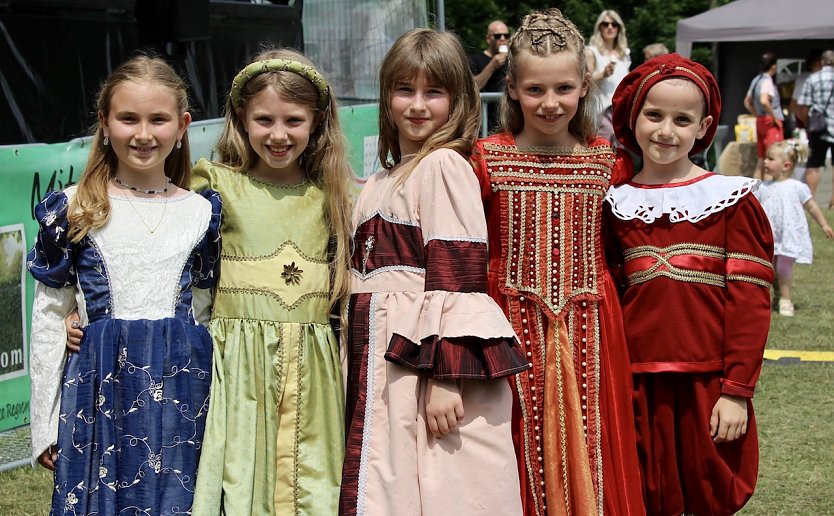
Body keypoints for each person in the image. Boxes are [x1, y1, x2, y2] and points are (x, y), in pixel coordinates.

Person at [340, 28, 529, 516]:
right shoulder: (382, 178)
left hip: (422, 363)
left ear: (458, 99)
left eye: (434, 92)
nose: (417, 105)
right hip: (382, 358)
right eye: (405, 90)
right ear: (386, 98)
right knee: (393, 480)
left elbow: (459, 278)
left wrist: (447, 377)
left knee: (442, 485)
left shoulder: (444, 165)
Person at [28, 54, 222, 515]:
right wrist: (44, 425)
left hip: (182, 394)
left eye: (158, 119)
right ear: (104, 122)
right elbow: (49, 317)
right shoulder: (73, 209)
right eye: (128, 118)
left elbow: (207, 310)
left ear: (182, 126)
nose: (143, 133)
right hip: (98, 393)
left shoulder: (202, 213)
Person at [471, 9, 644, 515]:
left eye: (564, 89)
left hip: (593, 328)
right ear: (513, 88)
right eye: (535, 90)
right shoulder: (483, 160)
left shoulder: (609, 163)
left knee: (598, 451)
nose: (550, 104)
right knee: (512, 450)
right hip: (506, 329)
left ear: (584, 86)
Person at [184, 48, 353, 516]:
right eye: (264, 120)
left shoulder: (333, 194)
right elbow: (166, 259)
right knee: (241, 478)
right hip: (237, 370)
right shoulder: (216, 184)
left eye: (293, 121)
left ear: (317, 121)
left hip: (314, 375)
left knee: (315, 484)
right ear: (242, 117)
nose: (278, 135)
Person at [605, 53, 774, 515]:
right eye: (654, 115)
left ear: (704, 128)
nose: (666, 131)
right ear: (632, 117)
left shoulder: (730, 201)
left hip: (708, 380)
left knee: (710, 491)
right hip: (636, 380)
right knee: (646, 494)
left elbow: (751, 303)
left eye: (683, 119)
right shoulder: (614, 204)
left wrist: (736, 390)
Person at [757, 140, 833, 316]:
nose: (765, 162)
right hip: (770, 236)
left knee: (784, 268)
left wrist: (824, 224)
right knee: (771, 269)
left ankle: (786, 299)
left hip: (788, 235)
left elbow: (812, 206)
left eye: (770, 159)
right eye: (766, 158)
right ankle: (776, 295)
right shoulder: (762, 187)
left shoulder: (797, 187)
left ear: (786, 165)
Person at [586, 9, 631, 144]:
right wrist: (603, 74)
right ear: (599, 27)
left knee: (622, 151)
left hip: (622, 109)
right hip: (602, 110)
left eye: (614, 24)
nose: (610, 27)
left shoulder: (624, 54)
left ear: (619, 28)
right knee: (604, 149)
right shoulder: (591, 51)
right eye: (605, 24)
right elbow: (584, 80)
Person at [796, 49, 834, 205]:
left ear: (822, 62)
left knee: (813, 165)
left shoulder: (812, 79)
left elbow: (803, 105)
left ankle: (810, 199)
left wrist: (807, 122)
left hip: (818, 128)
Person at [744, 52, 785, 179]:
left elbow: (747, 102)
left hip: (760, 120)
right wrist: (774, 118)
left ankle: (756, 191)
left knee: (762, 158)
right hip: (770, 122)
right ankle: (770, 191)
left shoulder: (756, 80)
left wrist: (757, 114)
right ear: (773, 66)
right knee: (773, 158)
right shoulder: (767, 81)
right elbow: (764, 100)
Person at [469, 20, 511, 130]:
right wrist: (492, 66)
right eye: (497, 36)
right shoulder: (475, 60)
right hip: (484, 123)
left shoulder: (513, 60)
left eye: (506, 36)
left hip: (508, 121)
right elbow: (473, 87)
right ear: (488, 38)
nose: (502, 39)